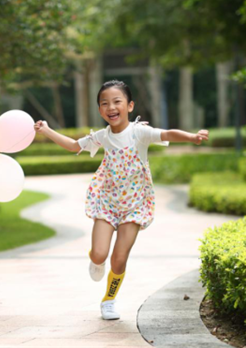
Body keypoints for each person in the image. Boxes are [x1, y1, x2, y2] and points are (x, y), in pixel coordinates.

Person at [33, 80, 209, 320]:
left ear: (130, 106)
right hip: (107, 203)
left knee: (119, 258)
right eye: (104, 103)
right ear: (100, 110)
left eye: (117, 102)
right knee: (99, 254)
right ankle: (96, 262)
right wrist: (46, 130)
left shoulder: (140, 133)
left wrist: (191, 137)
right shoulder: (102, 137)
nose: (111, 107)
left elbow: (167, 133)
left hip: (135, 206)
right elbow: (74, 145)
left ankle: (109, 300)